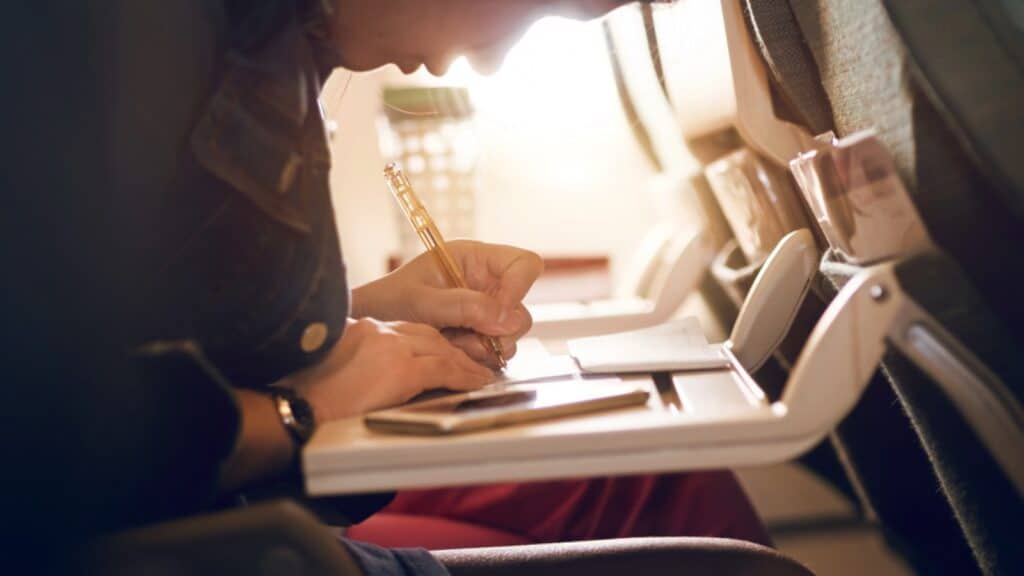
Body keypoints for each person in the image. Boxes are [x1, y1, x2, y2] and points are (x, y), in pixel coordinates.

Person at [74, 0, 767, 574]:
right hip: (172, 543)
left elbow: (156, 334)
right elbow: (52, 450)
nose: (490, 60)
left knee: (658, 481)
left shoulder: (274, 45)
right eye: (532, 10)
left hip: (222, 508)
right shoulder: (122, 45)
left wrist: (371, 319)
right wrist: (300, 409)